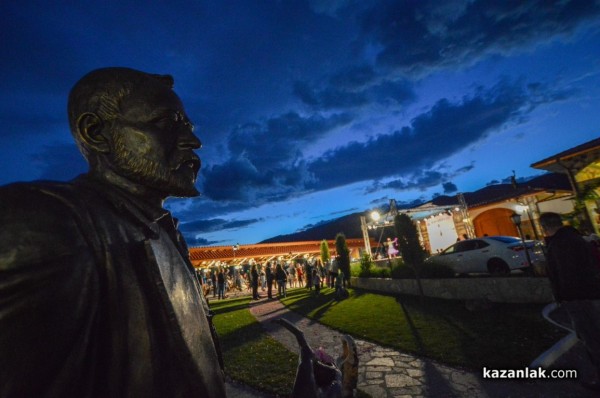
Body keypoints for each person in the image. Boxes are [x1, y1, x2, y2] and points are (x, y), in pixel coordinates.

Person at [0, 67, 226, 397]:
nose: (193, 141)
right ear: (96, 132)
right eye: (165, 123)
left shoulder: (163, 231)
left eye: (187, 126)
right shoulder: (50, 222)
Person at [539, 212, 600, 391]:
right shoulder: (574, 238)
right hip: (589, 293)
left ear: (545, 227)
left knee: (590, 335)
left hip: (577, 297)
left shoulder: (560, 244)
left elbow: (565, 274)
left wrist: (563, 296)